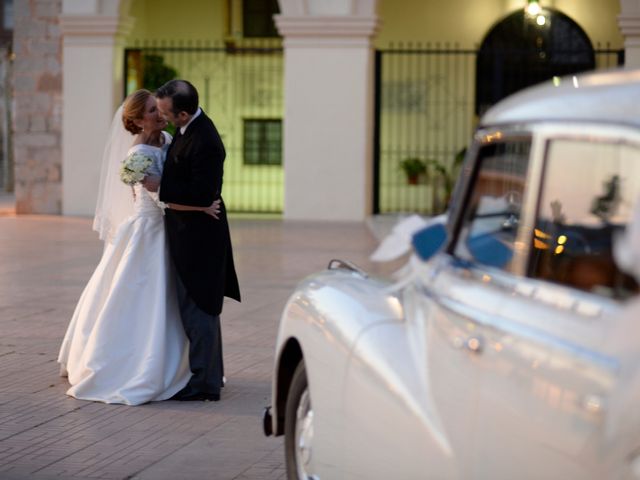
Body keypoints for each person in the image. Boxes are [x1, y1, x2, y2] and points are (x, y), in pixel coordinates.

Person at [58, 89, 220, 405]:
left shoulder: (169, 140)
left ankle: (190, 368)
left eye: (159, 109)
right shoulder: (138, 154)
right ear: (136, 119)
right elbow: (156, 198)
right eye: (150, 111)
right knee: (145, 295)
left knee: (177, 299)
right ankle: (138, 365)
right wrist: (202, 207)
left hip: (172, 229)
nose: (159, 115)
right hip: (150, 229)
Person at [143, 79, 241, 402]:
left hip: (200, 240)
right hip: (189, 232)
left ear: (183, 114)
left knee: (199, 307)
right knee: (200, 308)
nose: (163, 117)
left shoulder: (207, 141)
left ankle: (204, 384)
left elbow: (203, 193)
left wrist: (160, 187)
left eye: (167, 112)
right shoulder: (189, 129)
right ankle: (211, 375)